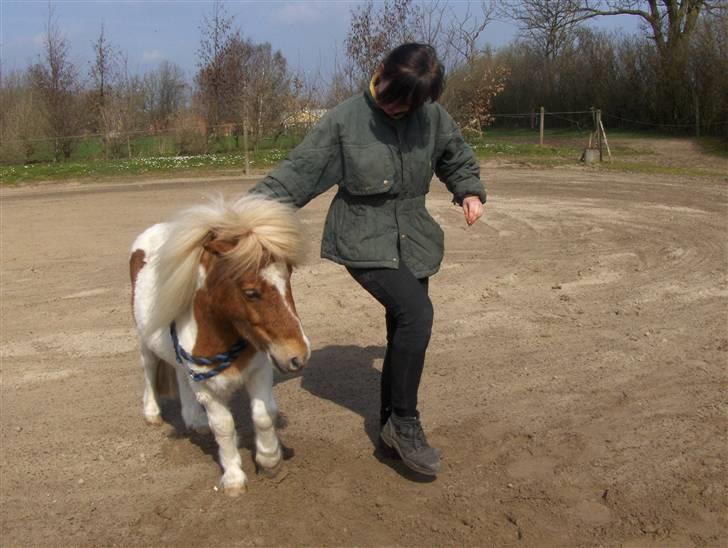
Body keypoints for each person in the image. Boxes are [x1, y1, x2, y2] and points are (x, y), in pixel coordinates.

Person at [250, 43, 485, 476]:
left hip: (413, 239)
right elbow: (298, 172)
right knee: (417, 315)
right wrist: (241, 215)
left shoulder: (431, 117)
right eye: (395, 98)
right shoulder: (345, 120)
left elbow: (455, 153)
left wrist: (467, 189)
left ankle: (388, 431)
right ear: (381, 73)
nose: (399, 110)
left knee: (403, 327)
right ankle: (407, 423)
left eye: (411, 105)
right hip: (363, 238)